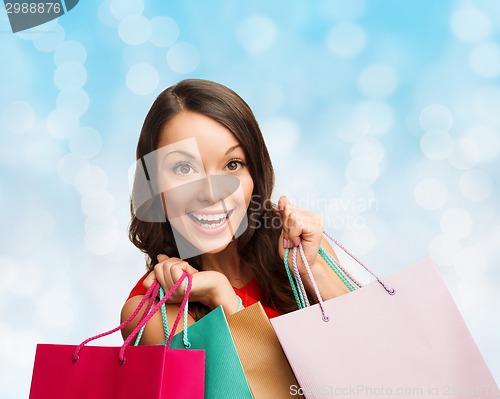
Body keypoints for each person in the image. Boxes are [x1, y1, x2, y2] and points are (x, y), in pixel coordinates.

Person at [121, 79, 350, 344]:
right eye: (184, 168)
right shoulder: (152, 313)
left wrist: (314, 271)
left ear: (254, 173)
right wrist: (224, 299)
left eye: (232, 164)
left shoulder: (301, 249)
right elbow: (276, 386)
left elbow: (378, 346)